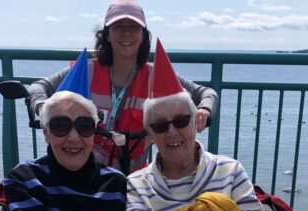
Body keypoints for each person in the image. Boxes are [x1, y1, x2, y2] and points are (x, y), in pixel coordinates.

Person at [126, 41, 276, 211]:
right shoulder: (137, 183)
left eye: (182, 121)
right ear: (150, 134)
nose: (172, 133)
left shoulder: (229, 170)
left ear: (195, 122)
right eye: (160, 126)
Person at [2, 50, 150, 211]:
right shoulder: (25, 178)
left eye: (84, 126)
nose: (73, 137)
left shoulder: (117, 182)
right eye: (60, 126)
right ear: (46, 133)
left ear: (94, 133)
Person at [28, 0, 217, 172]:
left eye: (134, 27)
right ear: (107, 35)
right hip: (85, 174)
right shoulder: (87, 70)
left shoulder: (154, 75)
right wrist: (42, 107)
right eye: (118, 26)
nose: (126, 33)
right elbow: (39, 87)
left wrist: (204, 109)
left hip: (135, 177)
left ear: (143, 36)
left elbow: (206, 93)